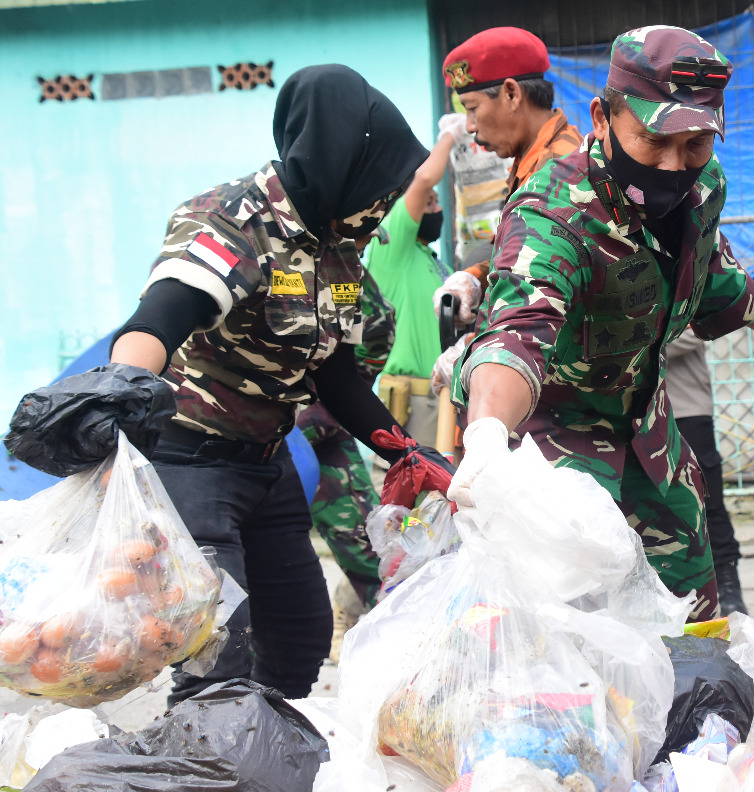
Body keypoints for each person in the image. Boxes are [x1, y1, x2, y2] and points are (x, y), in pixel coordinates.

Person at [6, 65, 453, 704]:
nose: (386, 200)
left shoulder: (341, 249)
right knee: (217, 657)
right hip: (191, 467)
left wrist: (402, 449)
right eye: (380, 181)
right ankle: (206, 769)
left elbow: (332, 371)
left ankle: (262, 763)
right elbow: (162, 314)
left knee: (298, 640)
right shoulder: (235, 218)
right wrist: (125, 382)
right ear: (342, 163)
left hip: (267, 465)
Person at [446, 26, 754, 621]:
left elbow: (711, 267)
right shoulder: (555, 208)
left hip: (649, 432)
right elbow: (518, 330)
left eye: (695, 145)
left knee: (695, 619)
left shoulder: (702, 186)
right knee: (569, 639)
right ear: (602, 119)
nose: (673, 164)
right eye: (654, 140)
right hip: (555, 449)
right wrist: (484, 433)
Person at [432, 27, 584, 331]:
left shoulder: (559, 169)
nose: (470, 126)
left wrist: (471, 347)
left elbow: (534, 287)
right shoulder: (533, 160)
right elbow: (517, 250)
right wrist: (474, 277)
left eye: (473, 109)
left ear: (512, 94)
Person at [295, 255, 395, 661]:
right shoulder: (262, 250)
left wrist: (334, 401)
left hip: (322, 429)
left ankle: (400, 653)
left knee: (371, 552)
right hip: (254, 433)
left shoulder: (341, 271)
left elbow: (376, 327)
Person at [366, 149, 452, 448]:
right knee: (418, 489)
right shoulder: (391, 249)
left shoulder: (438, 263)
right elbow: (426, 177)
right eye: (428, 202)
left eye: (437, 201)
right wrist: (450, 136)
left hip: (444, 396)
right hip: (414, 400)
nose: (435, 208)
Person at [666, 326, 747, 614]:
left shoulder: (684, 279)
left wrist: (633, 339)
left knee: (707, 499)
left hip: (685, 404)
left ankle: (727, 582)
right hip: (627, 408)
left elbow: (698, 327)